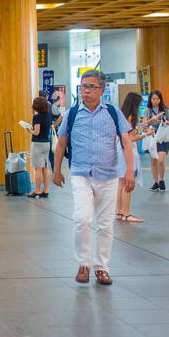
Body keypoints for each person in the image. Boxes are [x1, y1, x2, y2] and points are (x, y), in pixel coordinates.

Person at [52, 70, 134, 286]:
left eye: (90, 87)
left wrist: (130, 171)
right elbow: (61, 143)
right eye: (83, 87)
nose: (86, 91)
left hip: (108, 175)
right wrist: (56, 170)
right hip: (81, 174)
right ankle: (83, 264)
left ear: (102, 90)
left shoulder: (114, 113)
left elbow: (126, 143)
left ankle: (102, 267)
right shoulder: (72, 113)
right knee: (83, 218)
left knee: (106, 224)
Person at [116, 92, 145, 223]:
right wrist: (145, 135)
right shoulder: (131, 117)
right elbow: (131, 138)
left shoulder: (120, 115)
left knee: (120, 182)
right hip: (127, 151)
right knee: (128, 182)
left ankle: (119, 212)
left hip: (118, 150)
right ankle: (127, 213)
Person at [140, 91, 169, 191]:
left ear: (160, 99)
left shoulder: (165, 110)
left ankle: (161, 180)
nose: (155, 101)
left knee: (161, 160)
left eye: (157, 99)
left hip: (163, 138)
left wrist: (166, 122)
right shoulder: (147, 111)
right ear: (150, 99)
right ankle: (155, 182)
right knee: (153, 161)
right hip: (152, 138)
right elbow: (143, 124)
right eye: (153, 99)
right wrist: (152, 120)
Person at [28, 95, 53, 199]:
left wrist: (29, 130)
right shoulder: (47, 115)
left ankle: (37, 190)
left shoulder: (37, 117)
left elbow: (36, 132)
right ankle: (45, 190)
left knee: (37, 169)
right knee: (45, 168)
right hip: (46, 144)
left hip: (37, 144)